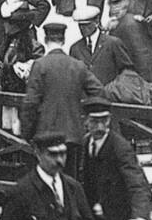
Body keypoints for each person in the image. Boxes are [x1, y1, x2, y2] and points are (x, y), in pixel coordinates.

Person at [21, 21, 105, 173]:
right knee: (70, 181)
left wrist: (26, 133)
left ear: (45, 40)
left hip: (46, 135)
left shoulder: (40, 65)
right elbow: (99, 91)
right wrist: (84, 115)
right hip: (73, 134)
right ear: (64, 40)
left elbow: (30, 103)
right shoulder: (78, 65)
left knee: (48, 181)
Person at [70, 4, 124, 85]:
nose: (82, 28)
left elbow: (126, 72)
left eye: (86, 24)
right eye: (80, 25)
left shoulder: (112, 43)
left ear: (96, 22)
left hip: (108, 95)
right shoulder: (75, 49)